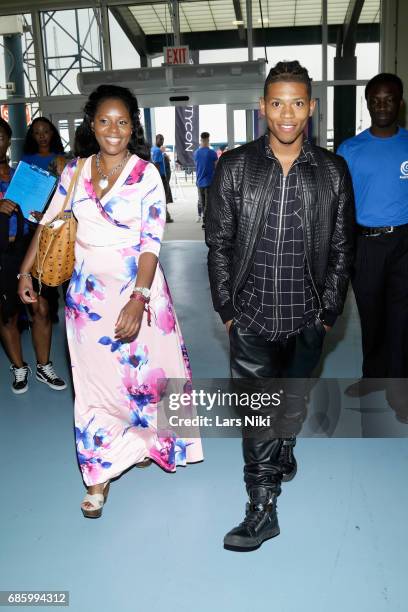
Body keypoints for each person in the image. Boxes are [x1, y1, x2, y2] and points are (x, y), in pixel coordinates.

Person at [18, 85, 203, 518]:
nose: (113, 129)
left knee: (150, 380)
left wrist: (139, 299)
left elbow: (151, 241)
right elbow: (49, 226)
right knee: (94, 386)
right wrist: (27, 271)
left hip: (140, 290)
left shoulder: (146, 174)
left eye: (122, 121)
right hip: (87, 301)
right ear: (91, 125)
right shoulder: (75, 172)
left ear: (133, 125)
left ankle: (145, 443)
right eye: (104, 121)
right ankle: (98, 477)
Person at [206, 61, 354, 551]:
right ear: (262, 107)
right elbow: (219, 243)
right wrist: (228, 309)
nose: (286, 114)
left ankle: (285, 443)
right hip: (250, 315)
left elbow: (341, 247)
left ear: (311, 107)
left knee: (293, 396)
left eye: (296, 103)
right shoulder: (236, 166)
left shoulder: (332, 171)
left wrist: (328, 310)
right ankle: (262, 506)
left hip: (308, 317)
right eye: (276, 103)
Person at [337, 73, 408, 416]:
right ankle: (373, 377)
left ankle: (399, 391)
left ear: (400, 103)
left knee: (401, 319)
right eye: (376, 100)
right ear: (367, 103)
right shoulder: (350, 150)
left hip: (404, 244)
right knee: (372, 317)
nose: (382, 105)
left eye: (389, 99)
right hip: (365, 245)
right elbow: (341, 206)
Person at [0, 118, 66, 394]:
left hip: (30, 249)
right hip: (3, 253)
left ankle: (43, 366)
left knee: (42, 308)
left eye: (2, 137)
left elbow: (34, 210)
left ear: (8, 140)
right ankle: (18, 367)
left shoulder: (19, 173)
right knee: (8, 315)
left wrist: (38, 214)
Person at [193, 132, 217, 227]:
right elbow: (216, 166)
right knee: (208, 203)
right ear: (208, 140)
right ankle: (206, 221)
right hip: (209, 181)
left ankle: (204, 219)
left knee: (202, 202)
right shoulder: (212, 153)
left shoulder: (196, 153)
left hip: (199, 182)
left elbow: (197, 165)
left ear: (201, 140)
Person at [151, 134, 174, 223]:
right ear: (156, 140)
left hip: (158, 176)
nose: (162, 141)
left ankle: (160, 216)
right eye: (160, 139)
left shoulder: (153, 150)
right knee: (163, 196)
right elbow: (156, 164)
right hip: (161, 176)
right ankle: (165, 217)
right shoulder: (157, 151)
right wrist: (157, 177)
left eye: (163, 139)